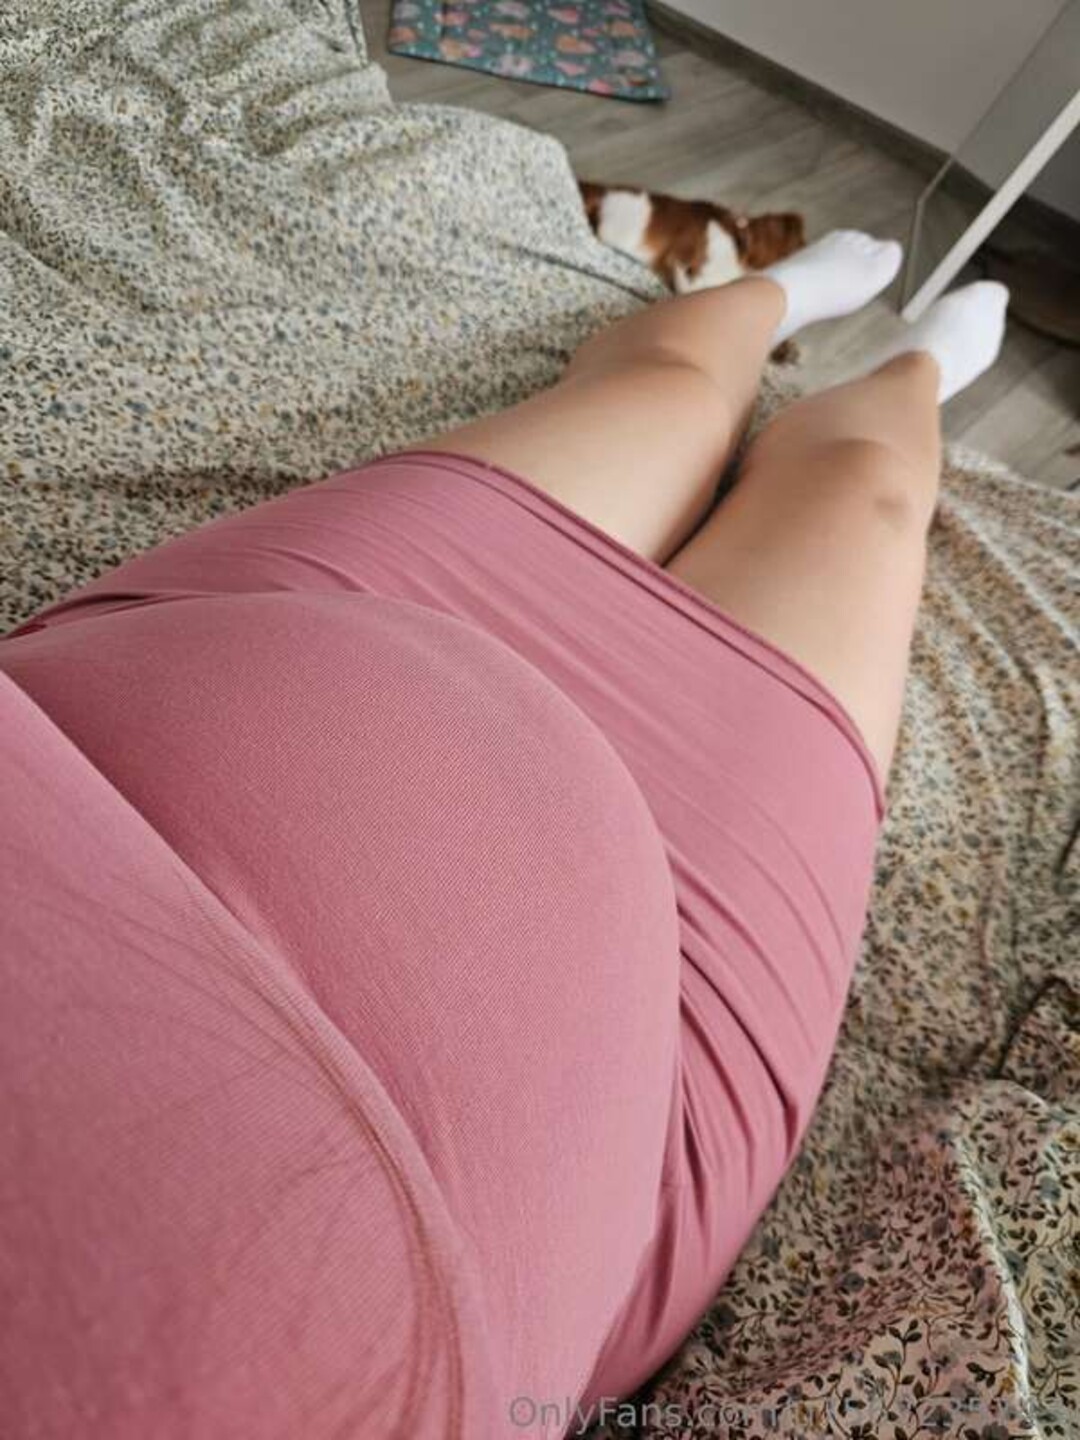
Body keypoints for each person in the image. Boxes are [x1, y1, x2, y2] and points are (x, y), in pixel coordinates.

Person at [0, 233, 1008, 1439]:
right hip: (623, 1085)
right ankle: (913, 372)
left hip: (231, 667)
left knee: (665, 392)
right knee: (869, 492)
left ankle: (770, 297)